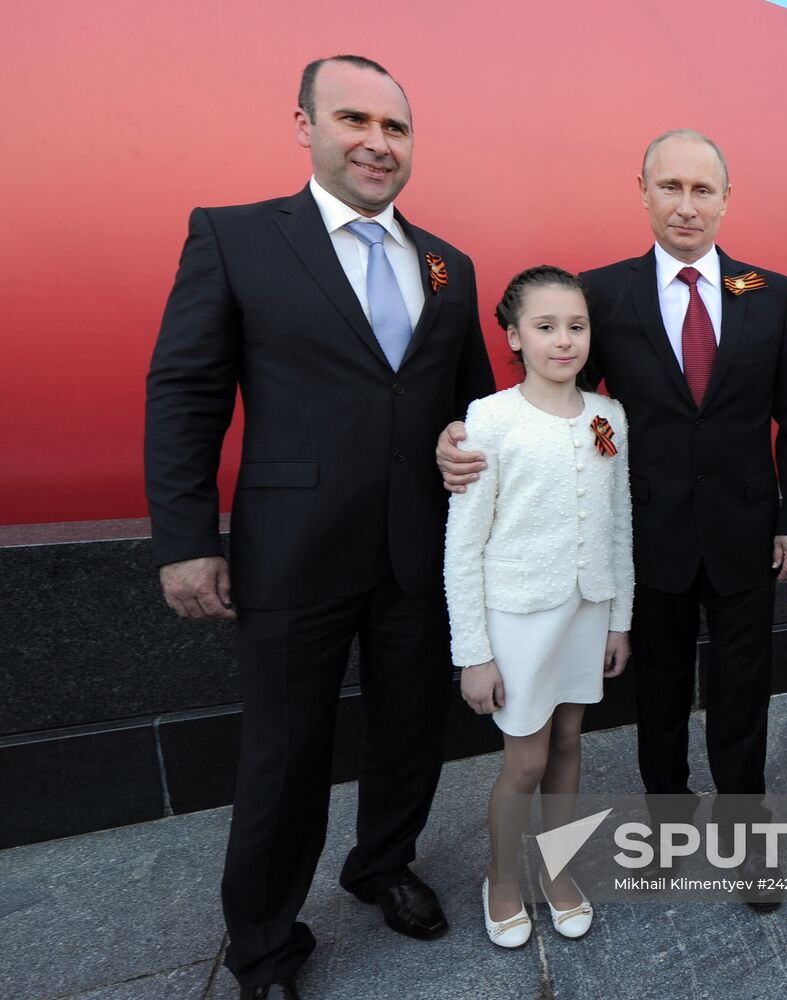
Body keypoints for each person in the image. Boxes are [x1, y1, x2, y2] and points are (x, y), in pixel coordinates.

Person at [144, 55, 494, 999]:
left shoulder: (447, 265)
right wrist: (184, 540)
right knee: (284, 754)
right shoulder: (236, 238)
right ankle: (262, 947)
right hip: (292, 552)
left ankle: (381, 864)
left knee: (410, 730)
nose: (377, 143)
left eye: (396, 127)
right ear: (303, 125)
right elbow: (185, 391)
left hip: (420, 550)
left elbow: (471, 406)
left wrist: (473, 448)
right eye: (354, 119)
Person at [438, 130, 787, 905]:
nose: (686, 205)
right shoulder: (603, 294)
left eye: (702, 189)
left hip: (749, 532)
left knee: (744, 692)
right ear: (642, 190)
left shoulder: (773, 293)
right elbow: (564, 398)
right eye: (670, 187)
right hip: (650, 537)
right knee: (662, 691)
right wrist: (465, 432)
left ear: (726, 198)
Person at [444, 266, 633, 947]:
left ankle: (558, 871)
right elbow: (462, 547)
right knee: (523, 762)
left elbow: (619, 523)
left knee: (568, 746)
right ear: (513, 335)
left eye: (576, 327)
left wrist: (619, 619)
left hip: (587, 612)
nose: (563, 341)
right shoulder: (489, 419)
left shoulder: (609, 418)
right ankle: (500, 876)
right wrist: (474, 653)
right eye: (545, 327)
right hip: (518, 618)